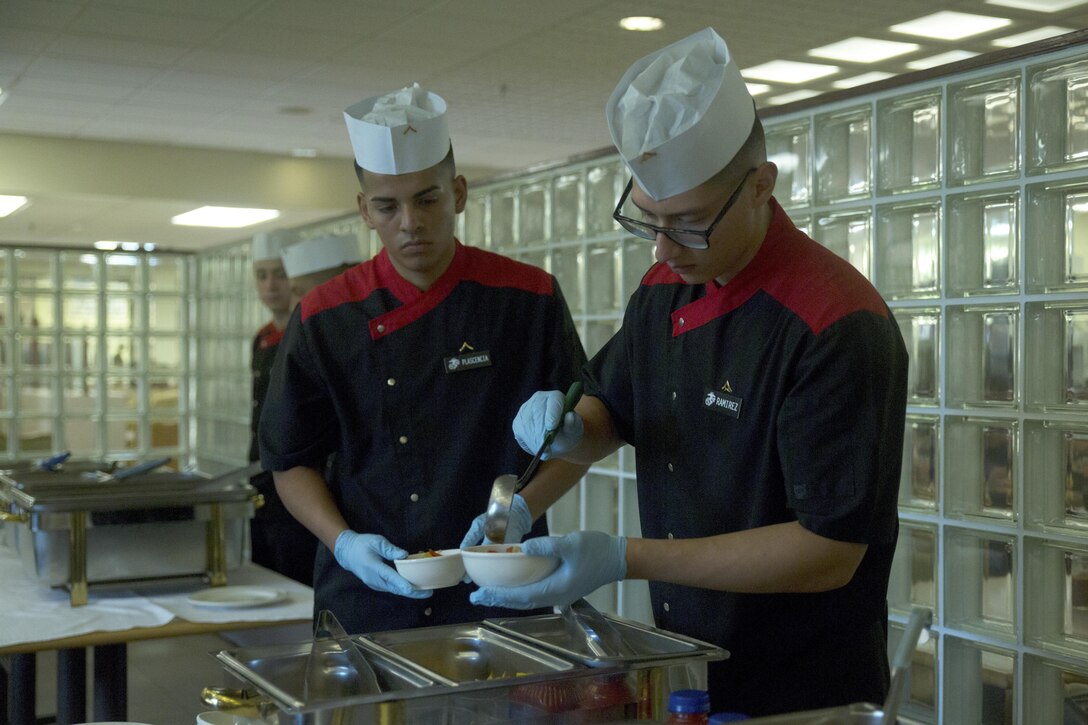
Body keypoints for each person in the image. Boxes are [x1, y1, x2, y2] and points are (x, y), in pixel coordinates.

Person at [467, 28, 909, 717]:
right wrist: (562, 432)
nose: (667, 249)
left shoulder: (834, 321)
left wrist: (625, 556)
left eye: (691, 223)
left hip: (801, 686)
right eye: (650, 221)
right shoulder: (663, 291)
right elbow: (613, 409)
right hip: (685, 663)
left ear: (761, 185)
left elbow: (829, 549)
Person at [258, 82, 588, 634]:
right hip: (368, 598)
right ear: (365, 210)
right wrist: (342, 543)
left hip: (503, 586)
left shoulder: (526, 297)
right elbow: (291, 459)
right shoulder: (325, 315)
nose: (410, 222)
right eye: (388, 206)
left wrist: (523, 510)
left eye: (428, 199)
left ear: (458, 192)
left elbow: (581, 435)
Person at [248, 229, 319, 585]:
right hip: (258, 472)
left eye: (279, 273)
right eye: (262, 275)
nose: (271, 285)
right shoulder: (261, 338)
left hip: (296, 471)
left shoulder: (307, 332)